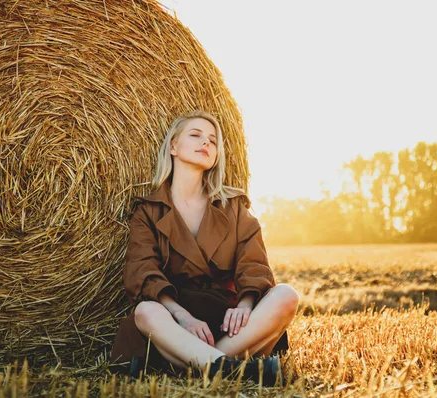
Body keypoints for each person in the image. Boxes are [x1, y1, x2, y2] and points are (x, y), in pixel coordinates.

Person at [110, 110, 299, 386]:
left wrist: (245, 305)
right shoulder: (148, 212)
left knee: (286, 295)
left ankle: (203, 363)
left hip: (227, 322)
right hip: (176, 324)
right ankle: (234, 368)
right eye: (195, 135)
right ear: (173, 147)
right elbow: (142, 271)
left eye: (213, 140)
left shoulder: (233, 206)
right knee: (146, 312)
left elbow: (254, 263)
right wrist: (183, 317)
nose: (206, 143)